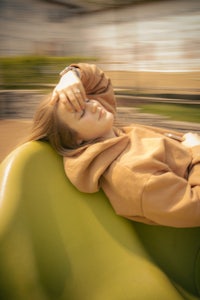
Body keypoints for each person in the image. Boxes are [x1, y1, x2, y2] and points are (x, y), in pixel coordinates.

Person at [27, 63, 200, 228]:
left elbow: (99, 82)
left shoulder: (109, 135)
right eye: (81, 113)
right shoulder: (133, 173)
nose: (94, 104)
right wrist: (196, 150)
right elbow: (195, 208)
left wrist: (71, 75)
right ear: (76, 140)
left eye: (86, 100)